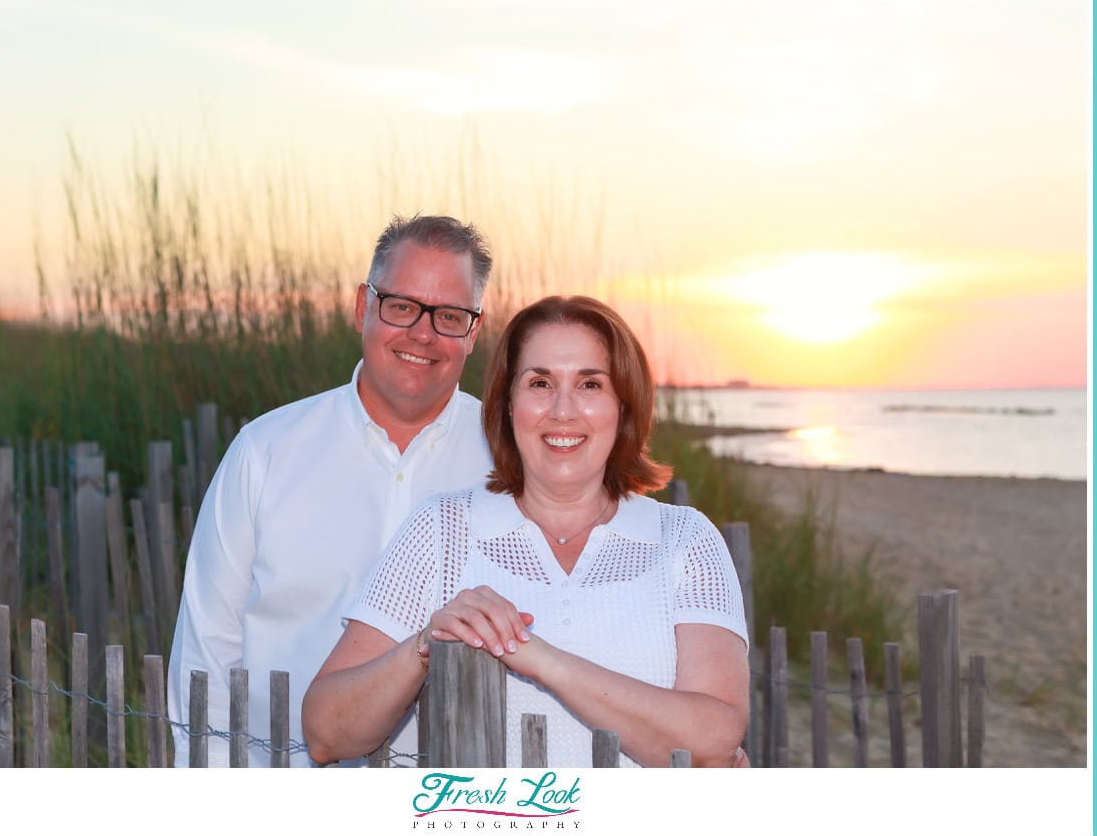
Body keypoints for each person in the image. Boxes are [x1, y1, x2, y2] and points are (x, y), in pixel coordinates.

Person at [302, 295, 750, 768]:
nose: (562, 410)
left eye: (590, 384)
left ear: (624, 407)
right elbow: (326, 732)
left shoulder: (684, 540)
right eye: (540, 382)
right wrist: (423, 645)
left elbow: (713, 741)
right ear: (508, 403)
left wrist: (538, 658)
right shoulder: (442, 528)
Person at [167, 214, 495, 767]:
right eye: (401, 305)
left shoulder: (509, 464)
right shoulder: (265, 452)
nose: (422, 332)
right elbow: (208, 652)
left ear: (473, 332)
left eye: (449, 315)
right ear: (362, 305)